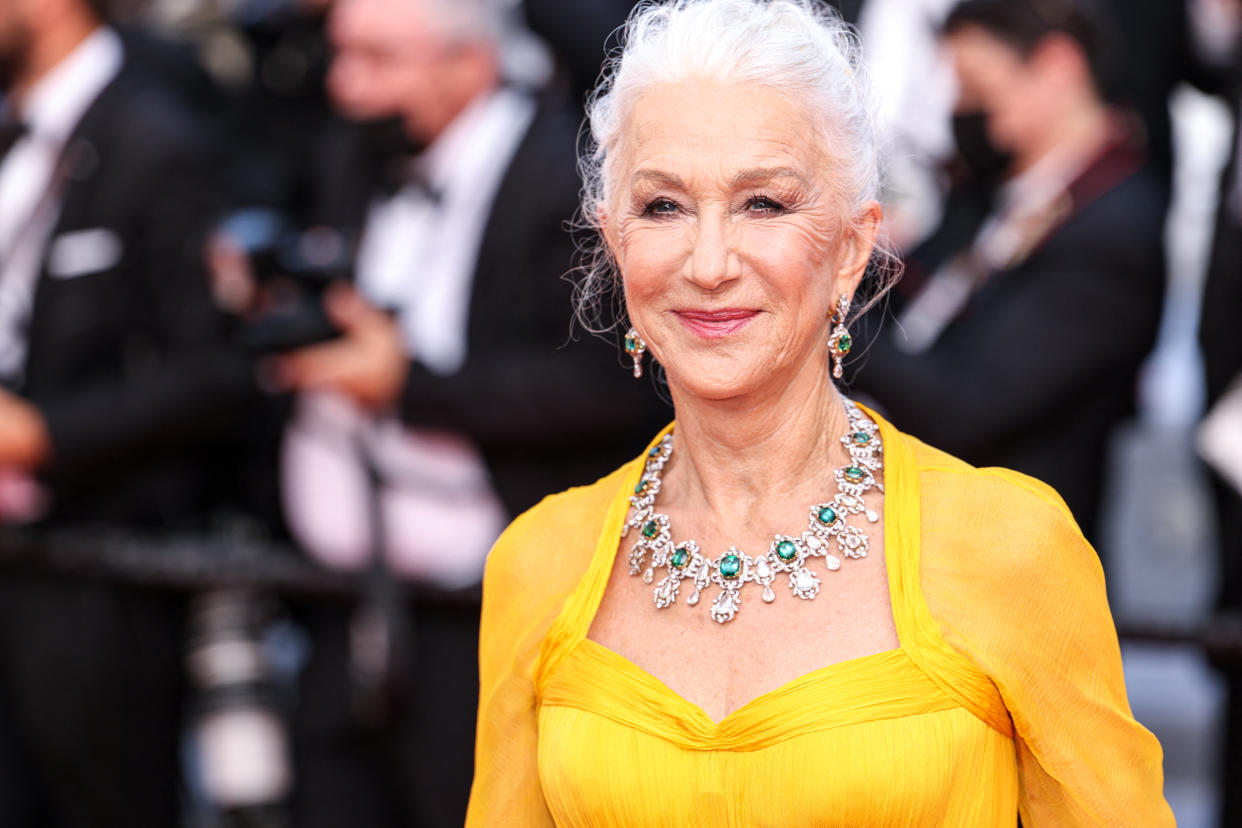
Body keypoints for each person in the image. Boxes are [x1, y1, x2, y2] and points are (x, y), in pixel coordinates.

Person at [465, 1, 1174, 825]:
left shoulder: (1010, 547)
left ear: (848, 251)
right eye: (663, 206)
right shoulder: (536, 561)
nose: (708, 262)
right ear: (615, 242)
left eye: (763, 203)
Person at [257, 0, 669, 824]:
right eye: (343, 57)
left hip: (500, 612)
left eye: (379, 59)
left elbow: (613, 384)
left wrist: (409, 386)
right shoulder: (360, 148)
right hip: (340, 597)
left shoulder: (570, 174)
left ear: (469, 62)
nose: (347, 86)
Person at [0, 0, 254, 823]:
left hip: (111, 567)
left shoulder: (162, 135)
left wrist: (46, 435)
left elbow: (223, 371)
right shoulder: (19, 132)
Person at [849, 0, 1167, 546]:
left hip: (1009, 551)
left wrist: (829, 314)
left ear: (1057, 65)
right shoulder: (1004, 191)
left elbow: (963, 407)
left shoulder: (1112, 229)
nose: (960, 106)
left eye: (975, 85)